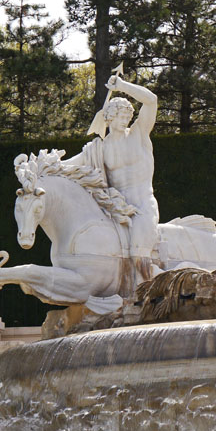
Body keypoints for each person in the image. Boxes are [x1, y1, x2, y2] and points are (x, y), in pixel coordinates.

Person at [65, 74, 160, 284]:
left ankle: (147, 294)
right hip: (114, 210)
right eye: (119, 114)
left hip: (142, 204)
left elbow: (151, 100)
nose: (124, 118)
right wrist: (43, 166)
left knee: (139, 256)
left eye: (127, 114)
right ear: (108, 117)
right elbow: (70, 165)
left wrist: (123, 86)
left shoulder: (139, 134)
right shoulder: (99, 148)